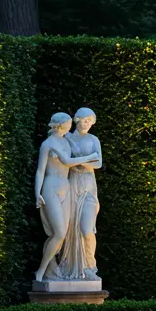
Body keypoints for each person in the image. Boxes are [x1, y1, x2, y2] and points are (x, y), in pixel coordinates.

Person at [33, 113, 99, 282]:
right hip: (52, 188)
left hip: (69, 188)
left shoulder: (67, 141)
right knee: (59, 233)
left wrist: (86, 161)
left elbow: (87, 162)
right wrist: (37, 193)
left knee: (72, 231)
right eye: (70, 123)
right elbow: (42, 170)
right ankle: (43, 270)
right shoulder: (49, 144)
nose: (73, 125)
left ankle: (55, 268)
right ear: (61, 125)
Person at [61, 107, 102, 280]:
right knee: (68, 228)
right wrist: (88, 159)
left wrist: (79, 161)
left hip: (88, 188)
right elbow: (62, 161)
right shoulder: (67, 139)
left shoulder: (94, 139)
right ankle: (68, 267)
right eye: (83, 120)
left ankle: (90, 267)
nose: (86, 124)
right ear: (77, 120)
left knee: (87, 230)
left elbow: (98, 163)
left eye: (89, 121)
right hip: (71, 186)